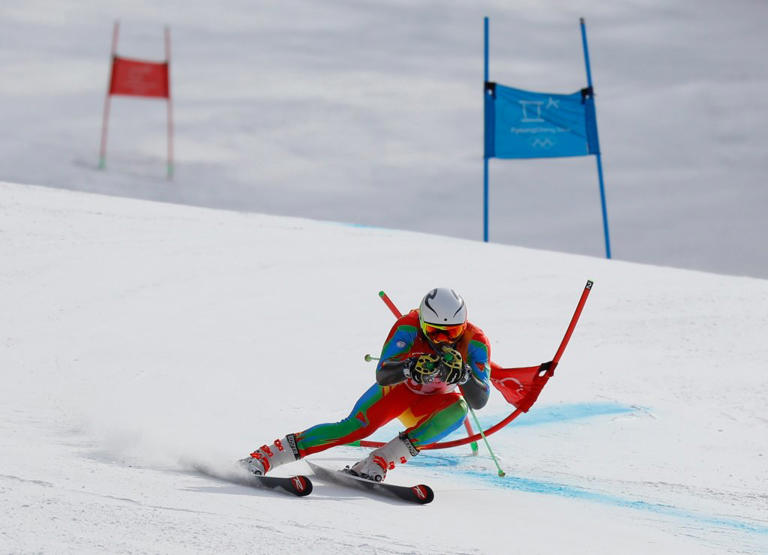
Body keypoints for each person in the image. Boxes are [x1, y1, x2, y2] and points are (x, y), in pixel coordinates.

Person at [241, 287, 491, 482]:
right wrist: (409, 367)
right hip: (399, 392)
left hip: (430, 406)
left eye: (452, 332)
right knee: (355, 429)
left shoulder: (476, 342)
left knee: (459, 408)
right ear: (423, 322)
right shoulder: (408, 326)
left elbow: (479, 401)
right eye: (435, 331)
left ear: (464, 325)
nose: (443, 339)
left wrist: (465, 376)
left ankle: (378, 461)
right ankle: (265, 457)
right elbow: (382, 375)